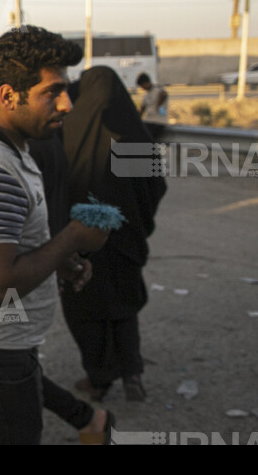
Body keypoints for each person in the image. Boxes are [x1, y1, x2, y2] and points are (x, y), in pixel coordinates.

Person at [0, 27, 111, 445]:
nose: (67, 105)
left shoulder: (9, 147)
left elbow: (6, 246)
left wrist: (57, 263)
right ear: (9, 95)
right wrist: (71, 238)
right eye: (53, 92)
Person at [62, 66, 168, 403]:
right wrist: (136, 223)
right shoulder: (134, 137)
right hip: (125, 239)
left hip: (81, 242)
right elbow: (154, 187)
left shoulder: (67, 134)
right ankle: (132, 372)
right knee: (125, 307)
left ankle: (99, 378)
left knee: (86, 311)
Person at [136, 72, 168, 139]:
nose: (142, 88)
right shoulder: (146, 95)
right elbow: (142, 109)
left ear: (146, 83)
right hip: (149, 121)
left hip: (158, 122)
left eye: (142, 86)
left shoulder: (158, 90)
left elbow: (164, 94)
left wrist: (158, 105)